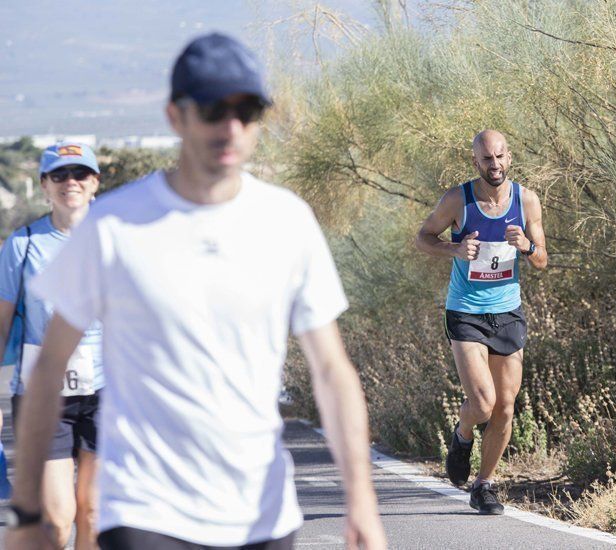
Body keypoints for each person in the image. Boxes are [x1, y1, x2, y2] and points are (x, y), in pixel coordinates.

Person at [6, 33, 385, 550]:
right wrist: (28, 513)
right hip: (147, 509)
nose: (230, 126)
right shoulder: (115, 225)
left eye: (246, 110)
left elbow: (331, 370)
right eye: (212, 108)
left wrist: (361, 502)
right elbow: (47, 370)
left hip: (263, 515)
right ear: (175, 116)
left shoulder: (286, 221)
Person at [415, 130, 548, 515]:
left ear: (510, 157)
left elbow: (542, 260)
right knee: (484, 403)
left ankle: (484, 484)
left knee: (505, 407)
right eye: (487, 159)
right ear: (476, 162)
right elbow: (423, 237)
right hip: (467, 311)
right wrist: (453, 247)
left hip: (507, 311)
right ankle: (462, 435)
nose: (495, 165)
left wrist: (526, 246)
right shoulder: (458, 199)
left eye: (500, 157)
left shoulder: (527, 201)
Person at [0, 142, 104, 548]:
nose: (70, 183)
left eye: (79, 174)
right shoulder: (22, 245)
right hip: (42, 395)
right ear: (44, 185)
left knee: (94, 512)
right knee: (58, 522)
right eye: (59, 175)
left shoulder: (113, 239)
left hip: (107, 391)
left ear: (95, 183)